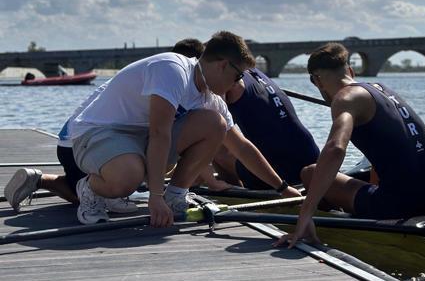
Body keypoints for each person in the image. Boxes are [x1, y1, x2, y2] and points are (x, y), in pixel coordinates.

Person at [67, 30, 299, 227]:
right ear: (222, 66)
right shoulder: (172, 70)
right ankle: (91, 189)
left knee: (214, 123)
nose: (239, 83)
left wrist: (282, 188)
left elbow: (241, 147)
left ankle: (176, 195)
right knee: (128, 178)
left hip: (139, 141)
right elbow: (160, 134)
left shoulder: (211, 98)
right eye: (238, 75)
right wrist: (154, 198)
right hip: (99, 132)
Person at [4, 38, 206, 213]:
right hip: (76, 144)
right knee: (104, 188)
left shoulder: (147, 75)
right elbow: (160, 137)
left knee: (131, 169)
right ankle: (42, 180)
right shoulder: (170, 77)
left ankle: (55, 181)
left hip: (79, 138)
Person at [277, 42, 425, 247]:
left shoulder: (344, 98)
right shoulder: (382, 90)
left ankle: (312, 226)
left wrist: (305, 211)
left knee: (310, 173)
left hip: (404, 207)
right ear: (351, 71)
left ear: (317, 80)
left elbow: (335, 149)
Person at [213, 67, 320, 190]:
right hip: (313, 159)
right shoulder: (254, 71)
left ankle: (235, 192)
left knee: (214, 144)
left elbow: (216, 131)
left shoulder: (223, 81)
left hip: (283, 172)